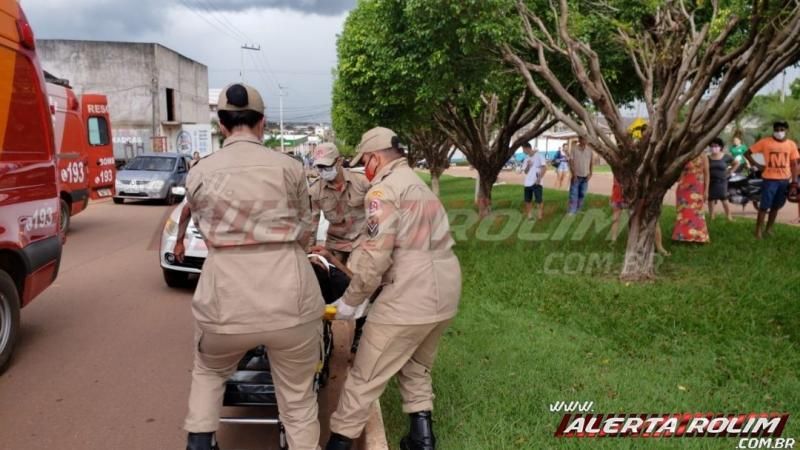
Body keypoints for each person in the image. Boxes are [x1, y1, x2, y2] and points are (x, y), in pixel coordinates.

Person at [175, 83, 324, 450]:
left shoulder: (199, 172)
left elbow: (203, 232)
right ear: (262, 124)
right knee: (298, 399)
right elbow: (306, 228)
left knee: (208, 373)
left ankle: (199, 440)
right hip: (290, 300)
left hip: (225, 300)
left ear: (222, 125)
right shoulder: (290, 167)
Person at [322, 127, 461, 450]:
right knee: (416, 366)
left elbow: (375, 254)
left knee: (364, 378)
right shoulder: (420, 186)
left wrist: (350, 301)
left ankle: (338, 443)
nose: (365, 170)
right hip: (446, 292)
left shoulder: (382, 193)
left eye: (364, 162)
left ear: (373, 158)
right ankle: (421, 439)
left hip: (409, 293)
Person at [309, 142, 370, 354]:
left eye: (327, 166)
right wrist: (311, 255)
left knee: (359, 283)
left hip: (361, 241)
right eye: (319, 167)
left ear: (338, 162)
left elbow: (378, 213)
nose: (323, 171)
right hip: (334, 242)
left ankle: (361, 330)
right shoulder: (315, 190)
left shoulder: (363, 182)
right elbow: (311, 224)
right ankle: (326, 333)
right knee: (324, 286)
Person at [744, 120, 800, 238]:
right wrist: (758, 165)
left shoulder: (791, 144)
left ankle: (769, 229)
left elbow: (794, 164)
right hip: (769, 180)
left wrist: (794, 182)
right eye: (776, 130)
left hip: (784, 181)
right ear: (773, 130)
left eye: (781, 130)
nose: (779, 132)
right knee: (764, 206)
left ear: (786, 131)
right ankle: (758, 231)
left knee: (776, 206)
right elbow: (747, 153)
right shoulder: (765, 142)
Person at [672, 154, 710, 243]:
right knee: (684, 212)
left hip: (698, 188)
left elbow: (707, 174)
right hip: (683, 188)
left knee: (698, 212)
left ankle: (699, 237)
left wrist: (706, 190)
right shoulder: (684, 154)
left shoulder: (703, 156)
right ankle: (682, 236)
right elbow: (678, 175)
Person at [707, 138, 739, 221]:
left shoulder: (726, 156)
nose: (714, 147)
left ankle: (729, 217)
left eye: (716, 146)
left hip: (722, 181)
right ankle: (711, 216)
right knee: (711, 199)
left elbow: (736, 163)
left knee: (724, 198)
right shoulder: (707, 158)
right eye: (712, 146)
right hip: (710, 181)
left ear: (720, 146)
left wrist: (730, 171)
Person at [521, 143, 547, 220]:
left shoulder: (539, 155)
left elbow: (544, 168)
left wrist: (539, 179)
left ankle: (539, 215)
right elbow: (525, 172)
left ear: (527, 148)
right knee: (527, 200)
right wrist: (528, 165)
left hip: (536, 182)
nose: (523, 151)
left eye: (523, 149)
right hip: (527, 183)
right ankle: (529, 215)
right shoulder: (526, 158)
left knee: (539, 200)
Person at [567, 137, 593, 214]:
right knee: (573, 194)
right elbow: (571, 162)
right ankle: (572, 211)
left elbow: (591, 162)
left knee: (582, 194)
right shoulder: (574, 149)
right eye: (583, 139)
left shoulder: (589, 150)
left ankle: (578, 209)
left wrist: (591, 173)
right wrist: (573, 174)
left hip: (586, 176)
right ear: (579, 140)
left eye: (586, 139)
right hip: (576, 175)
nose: (585, 141)